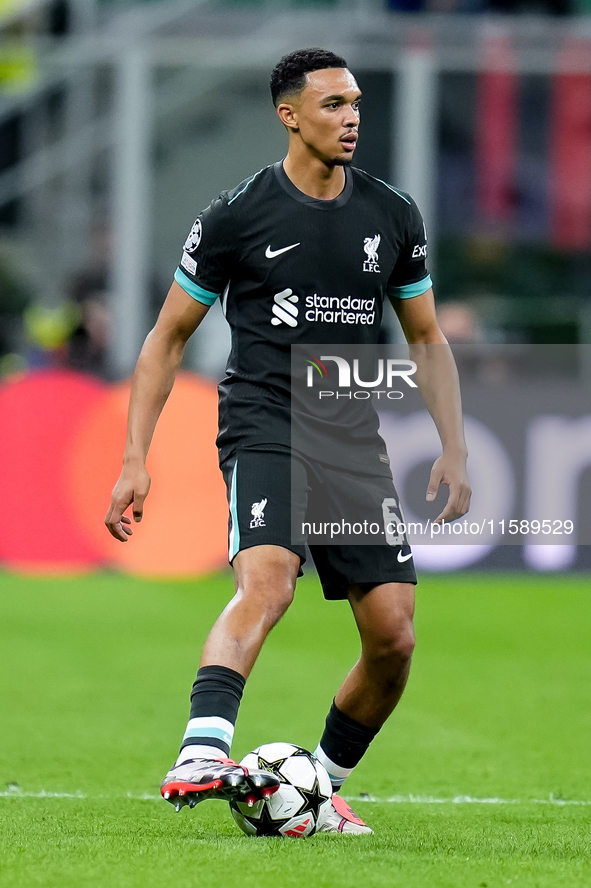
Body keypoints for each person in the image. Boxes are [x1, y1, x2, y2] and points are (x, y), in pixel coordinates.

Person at [105, 48, 471, 835]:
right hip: (266, 423)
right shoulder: (235, 215)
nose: (351, 118)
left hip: (351, 438)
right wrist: (135, 456)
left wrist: (453, 446)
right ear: (290, 115)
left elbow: (426, 336)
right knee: (267, 585)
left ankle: (316, 789)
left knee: (393, 639)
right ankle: (202, 751)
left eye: (356, 104)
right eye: (334, 104)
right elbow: (167, 337)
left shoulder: (392, 214)